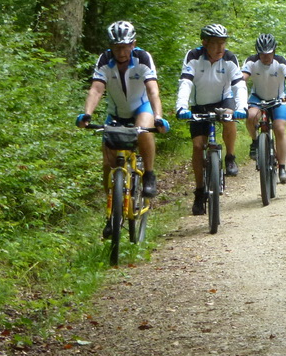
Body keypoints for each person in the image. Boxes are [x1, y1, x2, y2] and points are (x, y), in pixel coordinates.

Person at [75, 21, 170, 236]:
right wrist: (87, 114)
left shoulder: (143, 58)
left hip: (141, 108)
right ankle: (111, 213)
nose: (121, 52)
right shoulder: (104, 60)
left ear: (133, 44)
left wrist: (158, 117)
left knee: (143, 130)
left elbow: (152, 90)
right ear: (111, 46)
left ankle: (149, 174)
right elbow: (96, 90)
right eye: (117, 47)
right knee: (108, 164)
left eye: (125, 46)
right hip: (116, 113)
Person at [175, 23, 248, 215]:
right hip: (199, 104)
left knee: (229, 118)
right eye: (215, 43)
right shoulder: (193, 56)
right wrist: (181, 106)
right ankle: (199, 191)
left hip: (223, 99)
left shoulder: (229, 58)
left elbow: (239, 85)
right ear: (205, 43)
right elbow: (185, 82)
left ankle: (230, 157)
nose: (220, 48)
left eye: (223, 43)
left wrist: (242, 107)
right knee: (198, 146)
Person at [242, 33, 286, 184]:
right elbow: (242, 79)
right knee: (251, 116)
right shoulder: (251, 61)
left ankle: (282, 167)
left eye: (269, 53)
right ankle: (255, 142)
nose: (265, 57)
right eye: (262, 54)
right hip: (257, 98)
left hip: (278, 98)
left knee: (279, 128)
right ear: (257, 52)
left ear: (274, 51)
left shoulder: (281, 61)